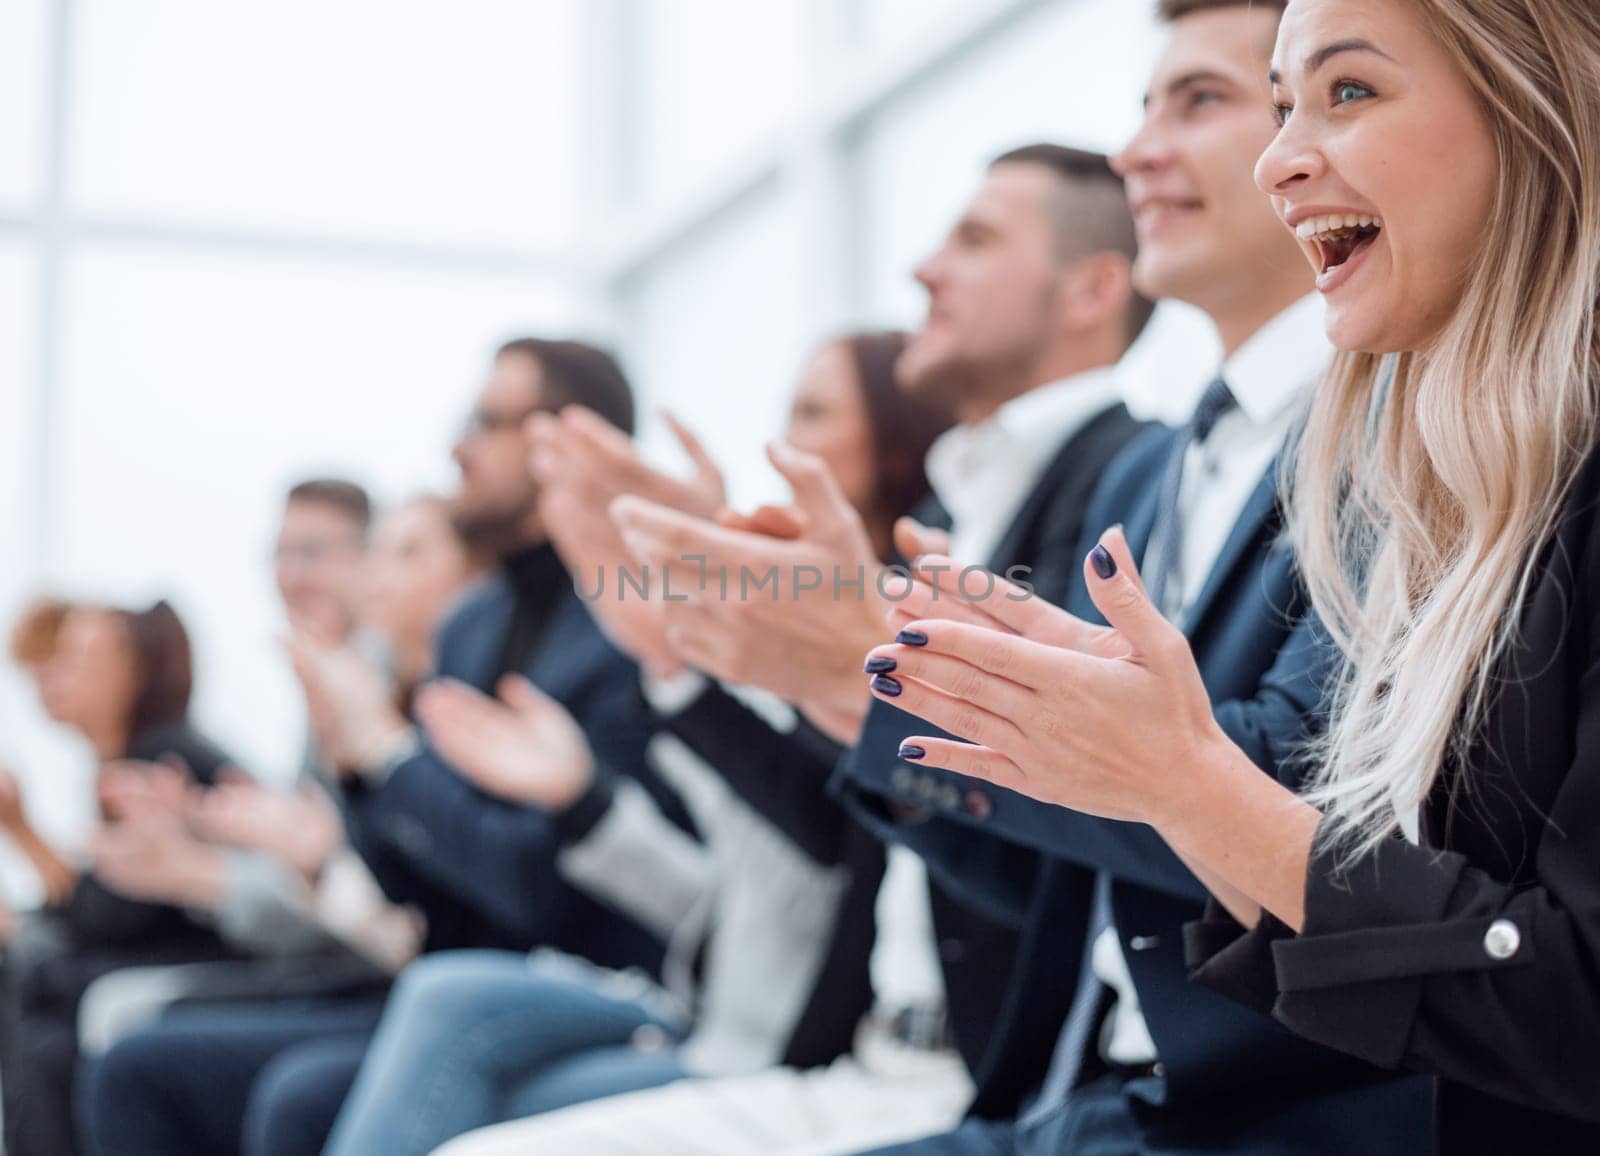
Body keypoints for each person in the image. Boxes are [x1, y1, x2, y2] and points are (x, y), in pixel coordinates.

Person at [860, 0, 1600, 1150]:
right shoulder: (1459, 472)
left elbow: (1556, 989)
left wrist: (1179, 776)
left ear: (1537, 107)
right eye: (1276, 104)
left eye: (1346, 91)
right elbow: (1089, 894)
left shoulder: (1431, 465)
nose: (1278, 156)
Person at [432, 144, 1155, 1155]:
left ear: (1092, 288)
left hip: (988, 1073)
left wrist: (757, 648)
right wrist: (679, 648)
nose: (924, 271)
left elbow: (1058, 817)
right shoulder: (963, 503)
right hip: (860, 1054)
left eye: (976, 239)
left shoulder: (1131, 487)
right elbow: (844, 817)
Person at [319, 331, 957, 1156]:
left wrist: (400, 760)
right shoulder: (490, 628)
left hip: (746, 1033)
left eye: (814, 411)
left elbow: (810, 856)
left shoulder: (686, 645)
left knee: (442, 1026)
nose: (786, 440)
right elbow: (726, 895)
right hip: (725, 1019)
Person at [84, 339, 683, 1156]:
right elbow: (428, 894)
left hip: (590, 980)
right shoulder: (477, 626)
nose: (458, 447)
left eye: (487, 422)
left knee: (293, 1090)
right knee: (141, 1056)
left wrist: (383, 757)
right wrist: (360, 769)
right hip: (448, 974)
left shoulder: (625, 628)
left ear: (566, 442)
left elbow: (544, 895)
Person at [0, 600, 237, 1156]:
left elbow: (115, 917)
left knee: (40, 998)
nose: (54, 674)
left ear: (135, 672)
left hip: (216, 970)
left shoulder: (162, 758)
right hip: (171, 964)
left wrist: (24, 835)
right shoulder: (130, 757)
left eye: (76, 657)